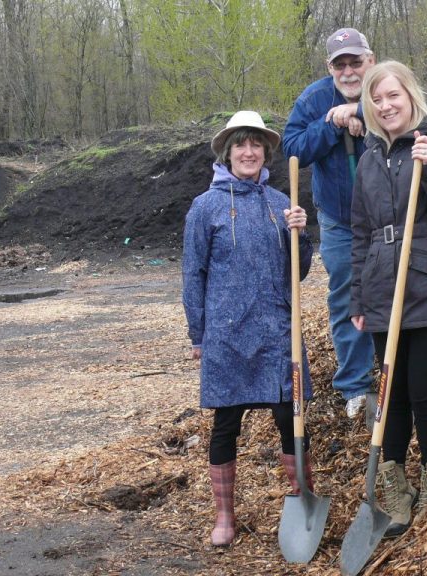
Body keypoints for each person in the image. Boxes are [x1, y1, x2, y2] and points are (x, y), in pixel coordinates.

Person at [349, 60, 427, 536]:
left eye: (393, 96)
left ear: (411, 96)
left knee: (423, 391)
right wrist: (359, 299)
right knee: (392, 396)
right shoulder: (367, 160)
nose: (385, 106)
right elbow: (361, 234)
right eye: (376, 99)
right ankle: (394, 487)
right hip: (384, 290)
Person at [182, 110, 316, 547]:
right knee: (226, 425)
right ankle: (224, 516)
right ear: (227, 152)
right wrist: (198, 334)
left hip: (277, 330)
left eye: (256, 144)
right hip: (227, 333)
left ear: (265, 153)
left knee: (290, 418)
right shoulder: (205, 208)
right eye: (240, 144)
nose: (248, 151)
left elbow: (298, 272)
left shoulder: (282, 203)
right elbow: (193, 274)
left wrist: (302, 235)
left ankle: (303, 499)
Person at [283, 27, 377, 420]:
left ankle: (420, 353)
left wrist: (362, 113)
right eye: (341, 65)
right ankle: (355, 386)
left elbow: (421, 126)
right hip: (339, 219)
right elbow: (292, 149)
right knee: (346, 294)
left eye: (356, 62)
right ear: (330, 68)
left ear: (370, 60)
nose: (349, 72)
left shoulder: (388, 87)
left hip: (390, 214)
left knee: (407, 280)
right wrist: (333, 123)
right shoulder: (316, 98)